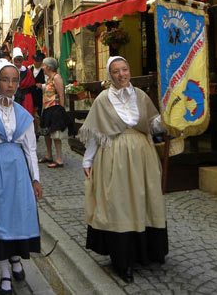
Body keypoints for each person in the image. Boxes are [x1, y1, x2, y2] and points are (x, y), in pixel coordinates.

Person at [78, 56, 168, 283]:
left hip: (142, 157)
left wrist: (169, 118)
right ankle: (123, 260)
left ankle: (146, 252)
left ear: (130, 71)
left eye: (125, 69)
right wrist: (87, 161)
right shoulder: (102, 100)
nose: (122, 74)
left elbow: (153, 124)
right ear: (110, 75)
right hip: (113, 158)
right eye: (116, 71)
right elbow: (95, 135)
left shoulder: (141, 96)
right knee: (119, 204)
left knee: (144, 200)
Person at [0, 58, 42, 295]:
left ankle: (15, 257)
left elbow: (30, 149)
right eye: (5, 80)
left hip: (19, 175)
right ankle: (4, 271)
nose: (10, 85)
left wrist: (35, 179)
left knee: (17, 217)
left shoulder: (23, 114)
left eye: (14, 80)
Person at [37, 57, 72, 168]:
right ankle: (49, 155)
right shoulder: (49, 79)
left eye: (43, 65)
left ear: (48, 66)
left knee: (55, 134)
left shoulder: (56, 78)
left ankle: (59, 158)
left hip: (55, 108)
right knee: (47, 133)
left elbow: (61, 94)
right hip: (47, 108)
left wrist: (61, 109)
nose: (42, 68)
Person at [12, 48, 35, 117]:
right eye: (16, 62)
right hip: (13, 97)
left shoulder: (27, 71)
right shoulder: (10, 70)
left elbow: (32, 86)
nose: (18, 64)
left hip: (26, 98)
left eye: (20, 61)